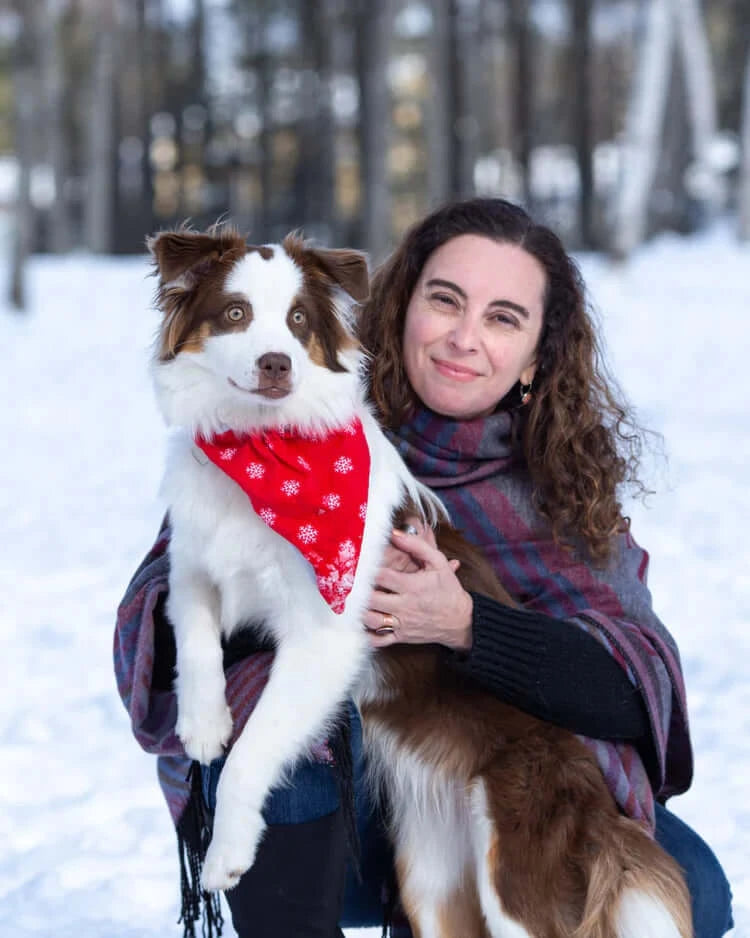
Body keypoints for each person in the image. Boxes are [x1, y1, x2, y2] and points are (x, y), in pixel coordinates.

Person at [114, 198, 733, 938]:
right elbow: (166, 607)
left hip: (480, 773)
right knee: (283, 744)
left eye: (504, 318)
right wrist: (310, 598)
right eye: (446, 301)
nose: (465, 338)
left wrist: (469, 625)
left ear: (537, 353)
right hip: (332, 800)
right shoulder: (286, 423)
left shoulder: (563, 487)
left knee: (697, 886)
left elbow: (633, 685)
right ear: (402, 305)